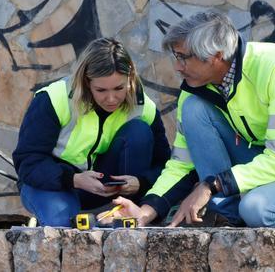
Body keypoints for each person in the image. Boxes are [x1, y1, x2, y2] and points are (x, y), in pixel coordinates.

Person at [108, 11, 275, 228]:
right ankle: (231, 217)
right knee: (195, 109)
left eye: (183, 57)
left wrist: (212, 185)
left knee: (256, 210)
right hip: (264, 160)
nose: (177, 67)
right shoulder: (195, 89)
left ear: (216, 55)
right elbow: (182, 164)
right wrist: (147, 210)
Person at [12, 38, 171, 227]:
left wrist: (142, 182)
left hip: (109, 188)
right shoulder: (53, 99)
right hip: (55, 184)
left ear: (130, 79)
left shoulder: (143, 107)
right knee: (64, 226)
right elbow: (28, 162)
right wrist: (74, 179)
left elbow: (164, 164)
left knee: (139, 131)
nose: (111, 98)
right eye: (101, 90)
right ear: (86, 83)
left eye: (119, 88)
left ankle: (127, 214)